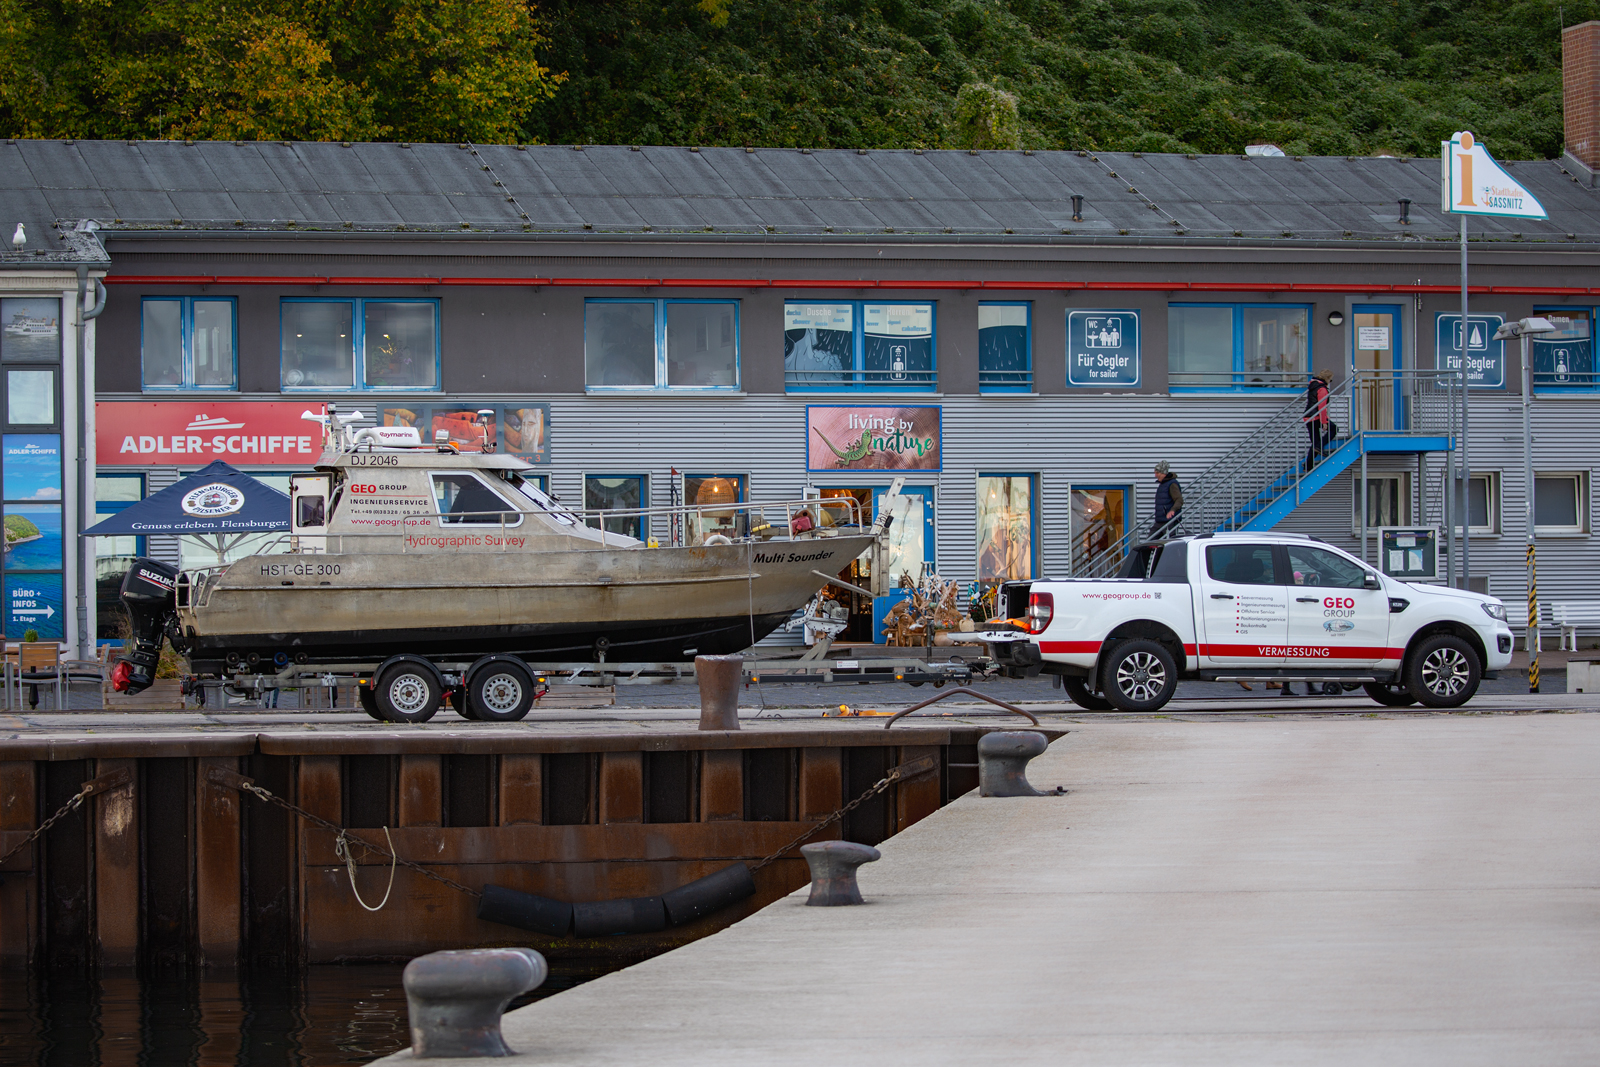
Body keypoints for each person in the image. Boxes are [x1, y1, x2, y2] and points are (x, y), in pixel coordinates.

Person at [1302, 370, 1332, 470]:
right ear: (1327, 378)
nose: (1330, 382)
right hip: (1315, 416)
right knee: (1334, 429)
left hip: (1309, 416)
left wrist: (1325, 418)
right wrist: (1324, 422)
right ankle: (1319, 447)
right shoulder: (1322, 389)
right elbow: (1322, 406)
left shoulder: (1313, 386)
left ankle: (1308, 464)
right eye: (1330, 380)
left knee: (1315, 442)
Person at [1150, 460, 1183, 537]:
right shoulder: (1162, 485)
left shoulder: (1172, 484)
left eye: (1157, 473)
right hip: (1160, 520)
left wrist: (1172, 510)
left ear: (1163, 473)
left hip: (1169, 521)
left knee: (1168, 543)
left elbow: (1179, 500)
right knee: (1150, 542)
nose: (1155, 475)